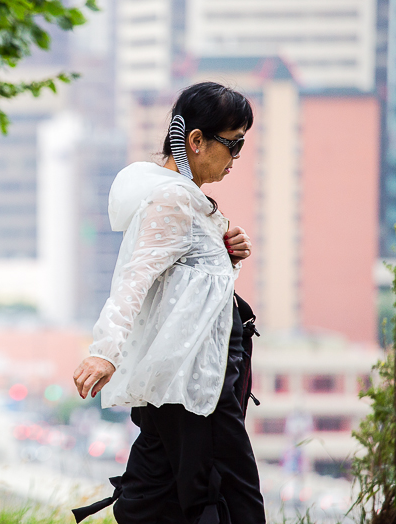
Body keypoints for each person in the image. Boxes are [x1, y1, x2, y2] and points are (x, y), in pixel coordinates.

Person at [71, 82, 265, 524]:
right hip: (197, 384)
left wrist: (225, 252)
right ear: (196, 141)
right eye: (232, 145)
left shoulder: (183, 199)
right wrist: (105, 350)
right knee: (228, 497)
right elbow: (135, 280)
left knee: (149, 496)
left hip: (179, 381)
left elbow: (182, 286)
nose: (235, 159)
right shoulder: (174, 198)